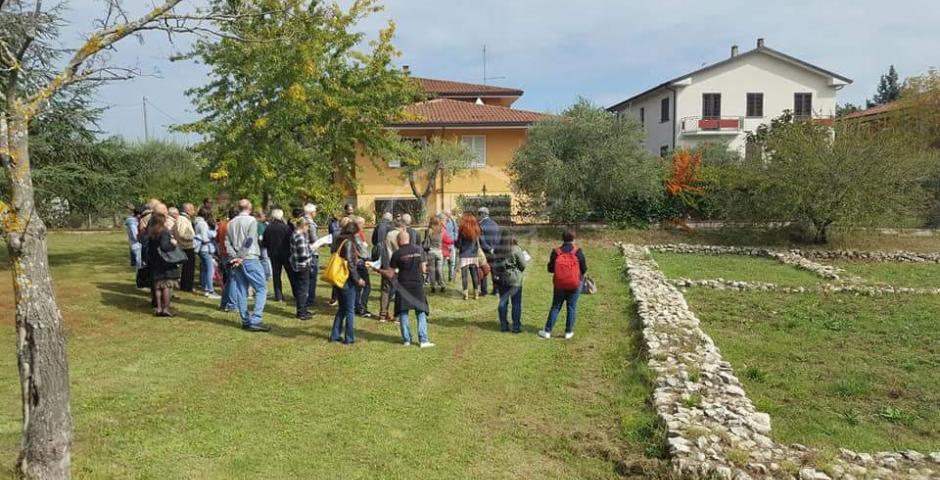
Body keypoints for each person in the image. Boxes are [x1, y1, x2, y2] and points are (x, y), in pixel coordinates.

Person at [226, 199, 271, 332]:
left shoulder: (231, 222)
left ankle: (245, 320)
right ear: (249, 207)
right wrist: (241, 256)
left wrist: (235, 256)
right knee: (262, 288)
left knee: (241, 290)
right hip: (250, 257)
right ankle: (256, 319)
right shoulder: (251, 221)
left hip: (237, 259)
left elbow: (227, 243)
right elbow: (250, 239)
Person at [538, 230, 588, 340]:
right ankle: (568, 332)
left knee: (555, 307)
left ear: (562, 238)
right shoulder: (578, 251)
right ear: (573, 239)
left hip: (559, 284)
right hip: (574, 284)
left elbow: (550, 269)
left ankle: (547, 331)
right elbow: (584, 269)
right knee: (571, 307)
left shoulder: (556, 252)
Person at [389, 229, 434, 348]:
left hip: (403, 285)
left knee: (403, 312)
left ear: (399, 240)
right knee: (421, 311)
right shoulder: (419, 250)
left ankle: (407, 340)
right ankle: (423, 340)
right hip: (417, 284)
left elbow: (391, 272)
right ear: (409, 239)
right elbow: (424, 269)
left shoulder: (397, 254)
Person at [330, 221, 365, 344]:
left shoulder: (338, 240)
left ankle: (335, 335)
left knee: (342, 308)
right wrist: (358, 279)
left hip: (337, 278)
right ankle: (349, 338)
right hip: (346, 280)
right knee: (350, 309)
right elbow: (350, 264)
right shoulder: (349, 243)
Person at [146, 211, 181, 317]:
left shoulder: (151, 233)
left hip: (155, 261)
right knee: (166, 286)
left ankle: (159, 308)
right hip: (165, 262)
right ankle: (166, 308)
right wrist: (174, 245)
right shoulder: (164, 232)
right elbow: (165, 247)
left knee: (157, 286)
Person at [493, 230, 528, 333]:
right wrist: (518, 271)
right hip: (514, 279)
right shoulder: (516, 249)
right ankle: (516, 327)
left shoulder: (497, 250)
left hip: (502, 278)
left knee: (503, 302)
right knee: (516, 303)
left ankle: (504, 325)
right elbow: (523, 265)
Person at [262, 208, 292, 302]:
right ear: (281, 216)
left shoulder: (268, 227)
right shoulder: (286, 227)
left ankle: (278, 296)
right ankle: (296, 293)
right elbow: (290, 240)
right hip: (286, 253)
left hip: (273, 254)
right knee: (291, 274)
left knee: (276, 275)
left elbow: (264, 243)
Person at [289, 218, 314, 320]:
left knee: (301, 288)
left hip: (296, 265)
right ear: (303, 226)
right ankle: (301, 312)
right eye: (307, 227)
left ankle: (303, 309)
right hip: (303, 265)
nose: (308, 229)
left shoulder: (294, 234)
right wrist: (312, 250)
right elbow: (303, 255)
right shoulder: (300, 237)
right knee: (303, 289)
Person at [194, 205, 220, 299]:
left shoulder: (197, 222)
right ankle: (210, 290)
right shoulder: (203, 224)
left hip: (201, 249)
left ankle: (205, 288)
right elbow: (204, 238)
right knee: (210, 269)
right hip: (205, 249)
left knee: (205, 269)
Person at [456, 212, 483, 300]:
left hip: (464, 255)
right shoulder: (477, 230)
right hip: (473, 255)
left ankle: (465, 294)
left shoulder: (462, 231)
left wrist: (455, 243)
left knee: (464, 276)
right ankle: (476, 293)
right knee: (474, 274)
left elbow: (459, 244)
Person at [217, 208, 238, 311]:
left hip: (223, 253)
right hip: (230, 254)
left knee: (229, 280)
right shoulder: (233, 226)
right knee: (233, 279)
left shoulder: (222, 224)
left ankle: (224, 303)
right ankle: (232, 304)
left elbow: (217, 239)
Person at [173, 203, 197, 293]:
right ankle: (186, 287)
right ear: (188, 210)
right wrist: (193, 237)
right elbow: (182, 233)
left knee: (188, 268)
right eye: (192, 209)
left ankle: (187, 286)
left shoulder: (185, 219)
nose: (194, 212)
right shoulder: (182, 219)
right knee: (188, 269)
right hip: (186, 246)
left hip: (187, 246)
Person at [352, 216, 373, 318]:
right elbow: (362, 251)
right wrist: (369, 260)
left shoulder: (355, 234)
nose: (364, 226)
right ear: (358, 224)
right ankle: (361, 308)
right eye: (363, 224)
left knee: (358, 287)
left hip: (357, 263)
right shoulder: (356, 235)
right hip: (360, 263)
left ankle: (357, 306)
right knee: (366, 286)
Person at [478, 207, 500, 296]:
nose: (478, 216)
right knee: (494, 271)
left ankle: (484, 291)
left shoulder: (480, 225)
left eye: (479, 214)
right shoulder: (495, 224)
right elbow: (498, 238)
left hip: (484, 251)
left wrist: (488, 248)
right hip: (494, 251)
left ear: (483, 214)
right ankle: (496, 290)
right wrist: (493, 248)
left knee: (483, 270)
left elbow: (481, 239)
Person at [302, 203, 320, 309]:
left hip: (302, 252)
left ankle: (304, 297)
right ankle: (310, 299)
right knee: (312, 277)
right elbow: (314, 239)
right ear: (312, 212)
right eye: (315, 211)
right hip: (311, 252)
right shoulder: (311, 224)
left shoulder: (300, 221)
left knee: (304, 277)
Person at [423, 216, 446, 292]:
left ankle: (433, 286)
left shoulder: (429, 231)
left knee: (432, 270)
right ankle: (442, 285)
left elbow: (426, 241)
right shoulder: (441, 230)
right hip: (439, 251)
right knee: (440, 270)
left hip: (431, 251)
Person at [125, 206, 143, 270]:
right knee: (139, 264)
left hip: (134, 245)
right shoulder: (132, 223)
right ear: (138, 214)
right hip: (136, 245)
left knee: (139, 263)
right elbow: (135, 235)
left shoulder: (133, 222)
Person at [443, 209, 459, 281]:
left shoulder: (453, 222)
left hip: (452, 244)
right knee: (443, 262)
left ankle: (451, 277)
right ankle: (441, 278)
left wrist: (454, 239)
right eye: (447, 215)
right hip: (443, 245)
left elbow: (456, 231)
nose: (449, 216)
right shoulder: (441, 222)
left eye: (449, 214)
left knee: (452, 262)